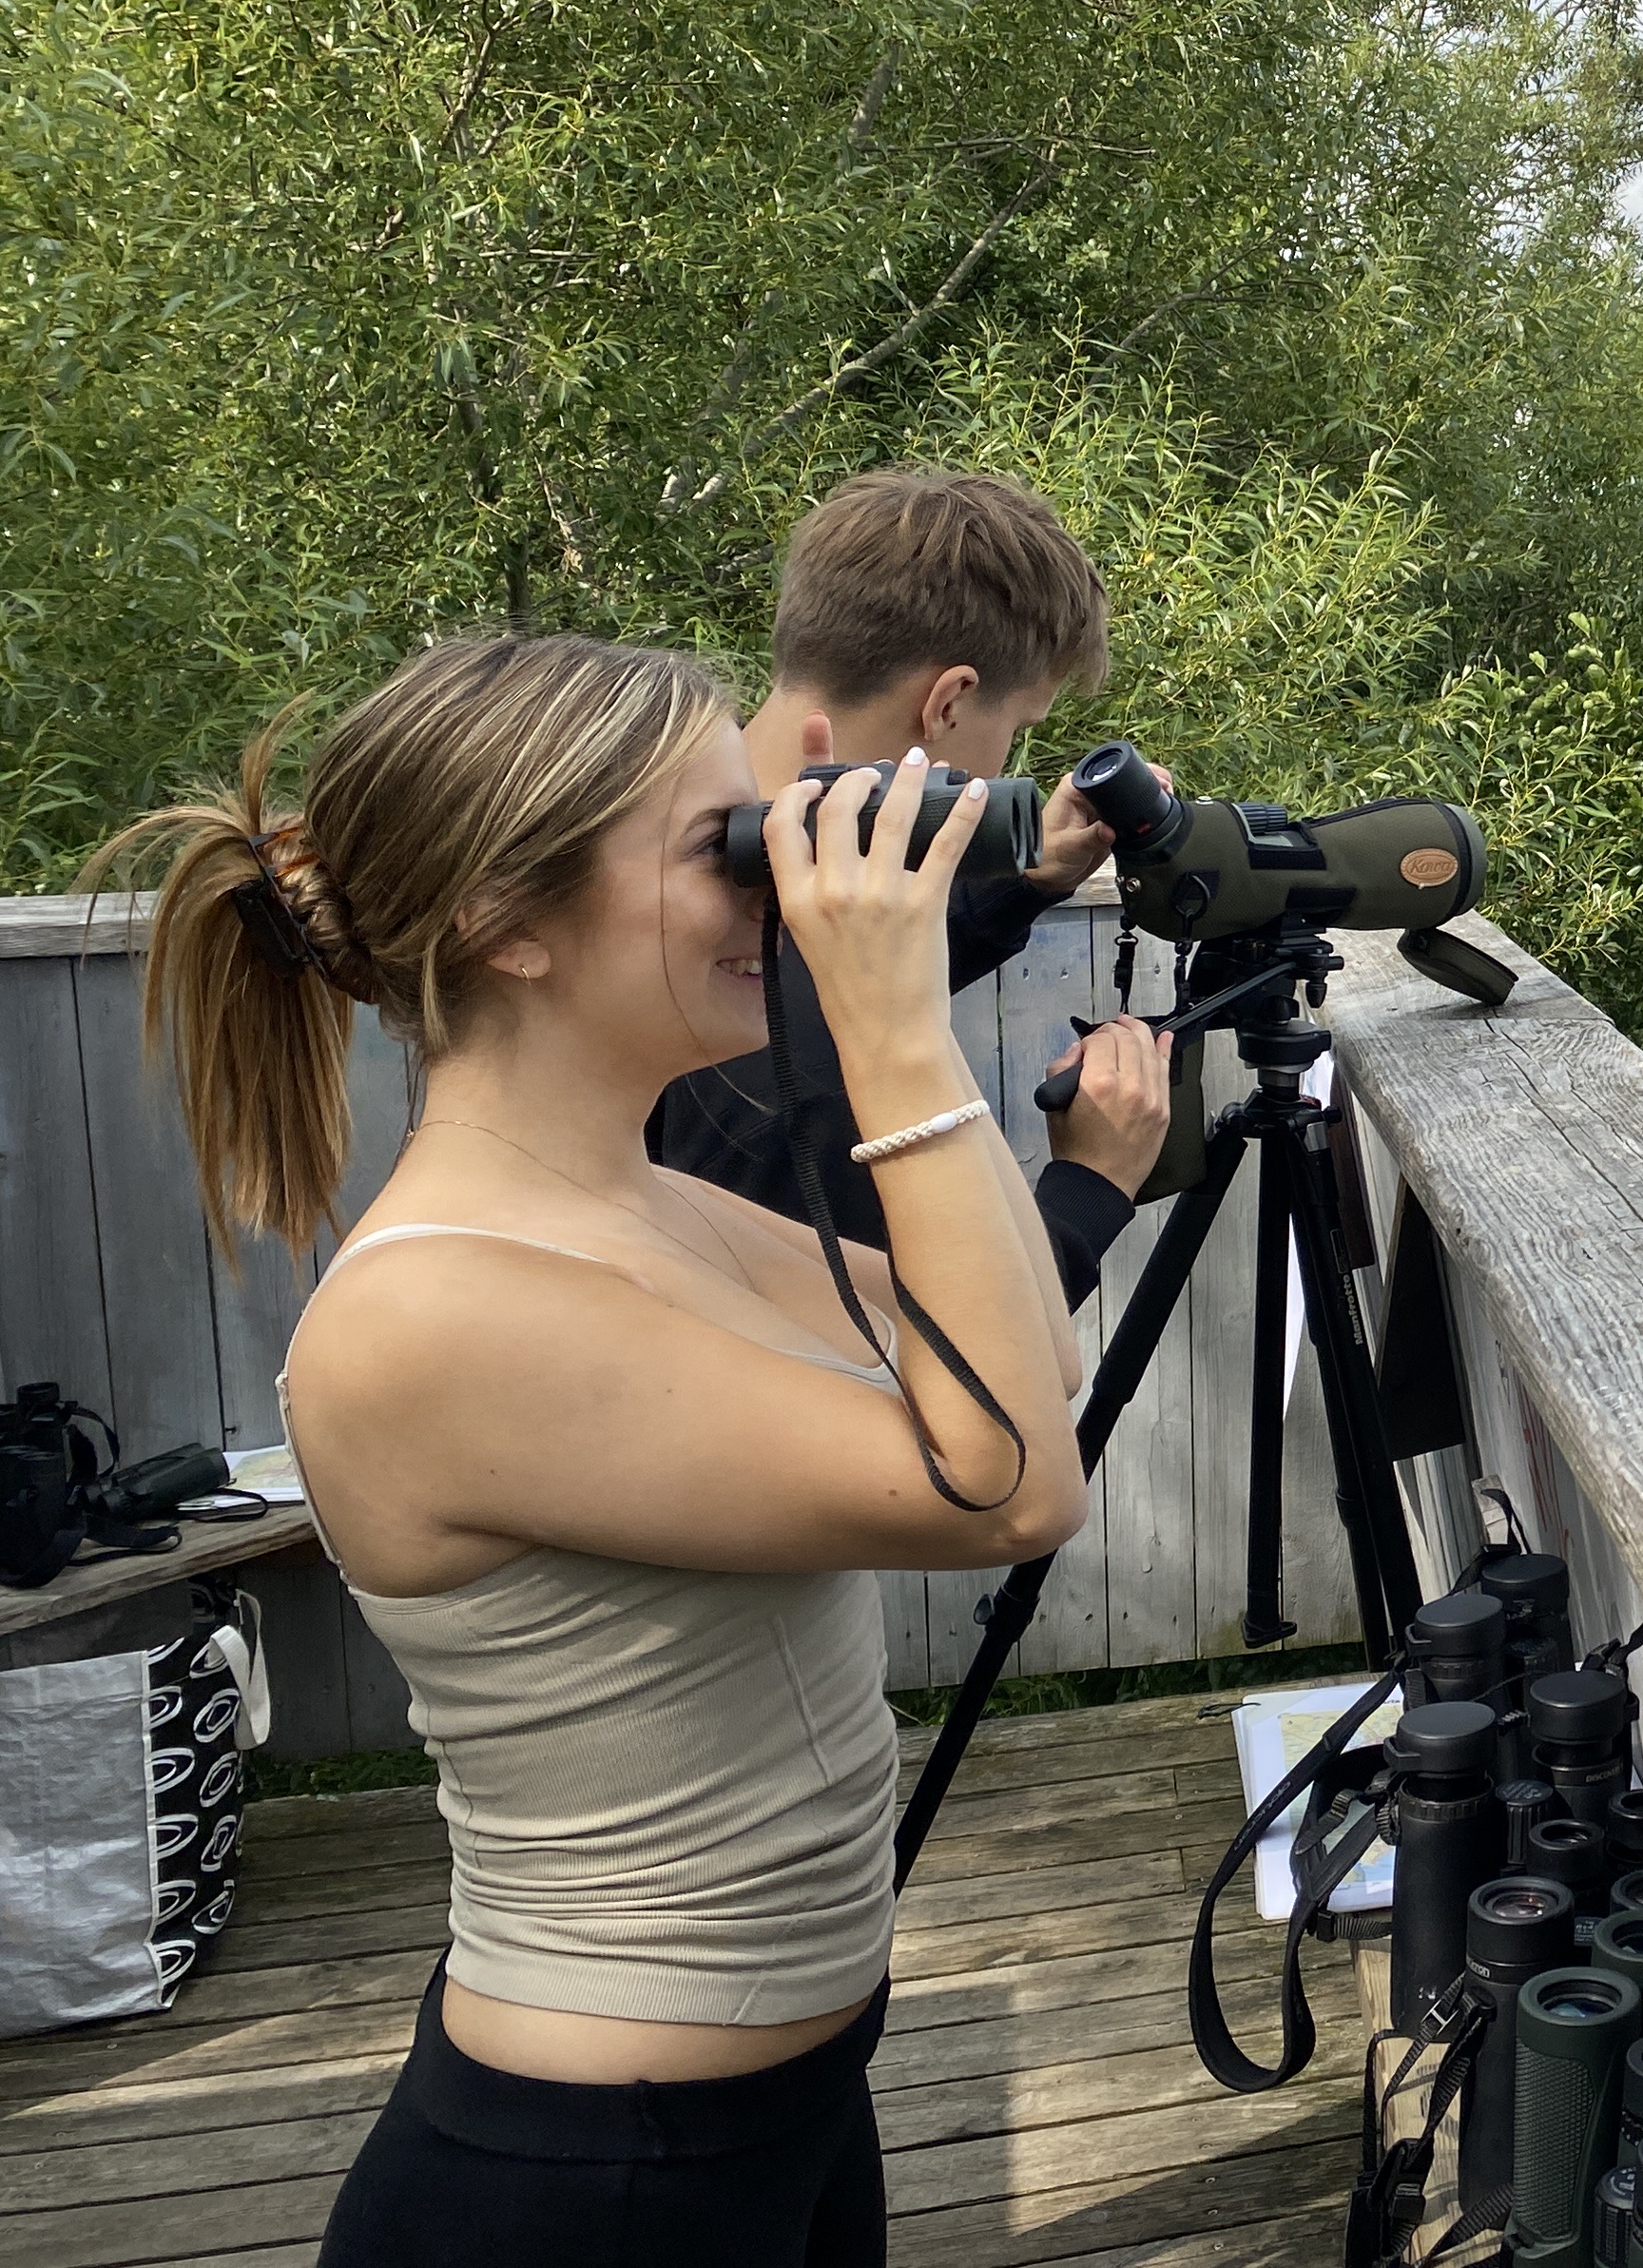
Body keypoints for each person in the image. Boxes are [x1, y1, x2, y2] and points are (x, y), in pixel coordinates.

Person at [106, 634, 1092, 2265]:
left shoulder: (652, 1204)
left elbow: (1029, 1361)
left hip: (780, 2105)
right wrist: (897, 1032)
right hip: (593, 2183)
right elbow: (1007, 1488)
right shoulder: (434, 1310)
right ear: (507, 920)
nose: (778, 884)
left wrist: (900, 1037)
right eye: (729, 846)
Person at [649, 470, 1170, 1304]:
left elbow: (835, 959)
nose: (1008, 764)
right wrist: (1093, 1183)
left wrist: (1021, 882)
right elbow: (944, 1369)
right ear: (950, 702)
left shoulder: (687, 868)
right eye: (1018, 727)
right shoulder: (782, 1040)